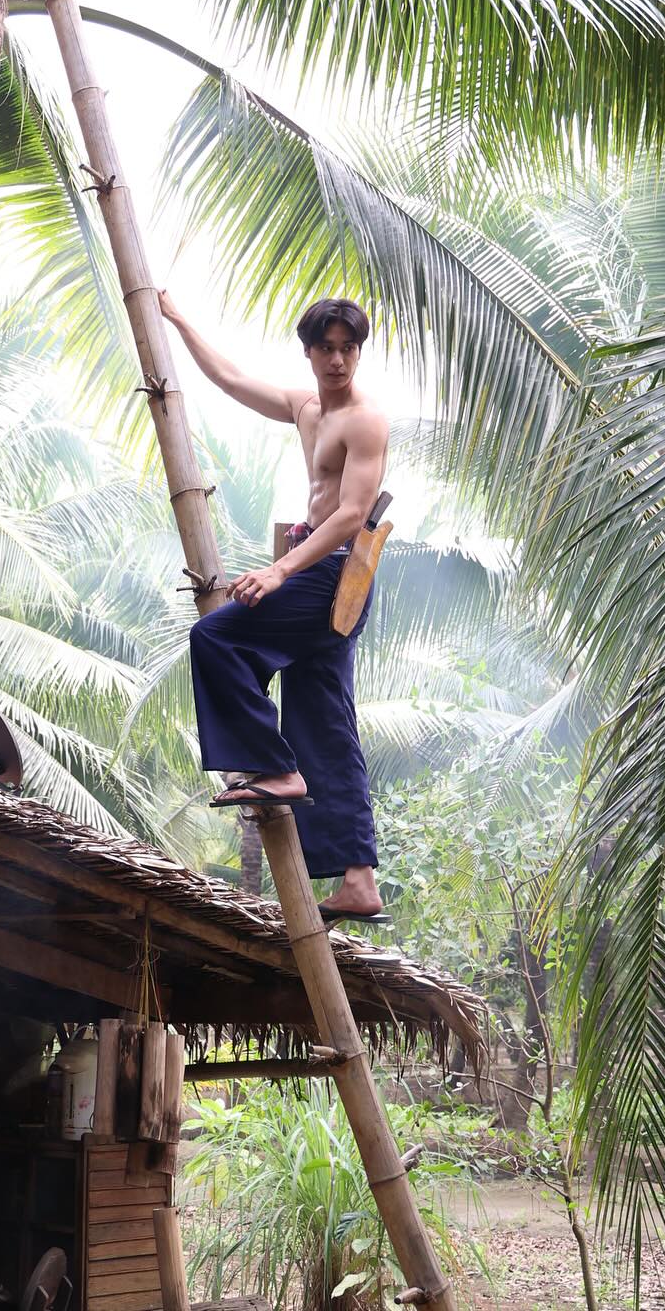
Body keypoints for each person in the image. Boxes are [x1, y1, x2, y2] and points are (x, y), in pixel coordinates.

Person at [159, 290, 390, 922]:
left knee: (216, 639)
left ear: (357, 353)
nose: (339, 360)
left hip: (336, 575)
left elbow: (349, 515)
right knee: (325, 723)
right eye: (328, 348)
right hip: (318, 572)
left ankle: (270, 765)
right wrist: (180, 319)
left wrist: (279, 569)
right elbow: (230, 379)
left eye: (349, 349)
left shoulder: (365, 421)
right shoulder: (304, 406)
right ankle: (359, 877)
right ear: (310, 353)